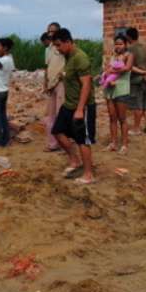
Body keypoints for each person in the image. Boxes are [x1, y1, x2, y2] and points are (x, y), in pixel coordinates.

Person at [51, 28, 96, 184]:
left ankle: (89, 174)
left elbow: (86, 85)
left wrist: (79, 109)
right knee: (57, 131)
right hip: (69, 104)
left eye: (58, 45)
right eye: (55, 46)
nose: (57, 49)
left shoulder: (80, 58)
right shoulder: (68, 56)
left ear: (68, 42)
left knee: (82, 140)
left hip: (82, 106)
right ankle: (75, 160)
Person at [101, 35, 131, 154]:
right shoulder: (113, 56)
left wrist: (111, 71)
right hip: (110, 89)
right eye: (116, 44)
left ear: (125, 45)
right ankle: (113, 143)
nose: (118, 46)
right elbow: (107, 68)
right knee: (112, 117)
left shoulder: (129, 55)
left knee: (122, 118)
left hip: (121, 89)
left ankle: (124, 145)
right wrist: (106, 72)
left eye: (120, 44)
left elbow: (127, 68)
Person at [125, 27, 146, 134]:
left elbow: (130, 67)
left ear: (128, 37)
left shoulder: (130, 50)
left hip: (136, 81)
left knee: (137, 105)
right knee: (144, 103)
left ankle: (136, 129)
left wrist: (143, 72)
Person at [44, 22, 65, 153]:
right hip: (51, 85)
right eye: (49, 31)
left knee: (61, 113)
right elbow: (47, 67)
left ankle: (64, 144)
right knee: (50, 116)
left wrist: (62, 75)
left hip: (61, 83)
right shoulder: (48, 49)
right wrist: (45, 83)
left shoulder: (62, 47)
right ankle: (53, 144)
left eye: (53, 31)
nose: (50, 33)